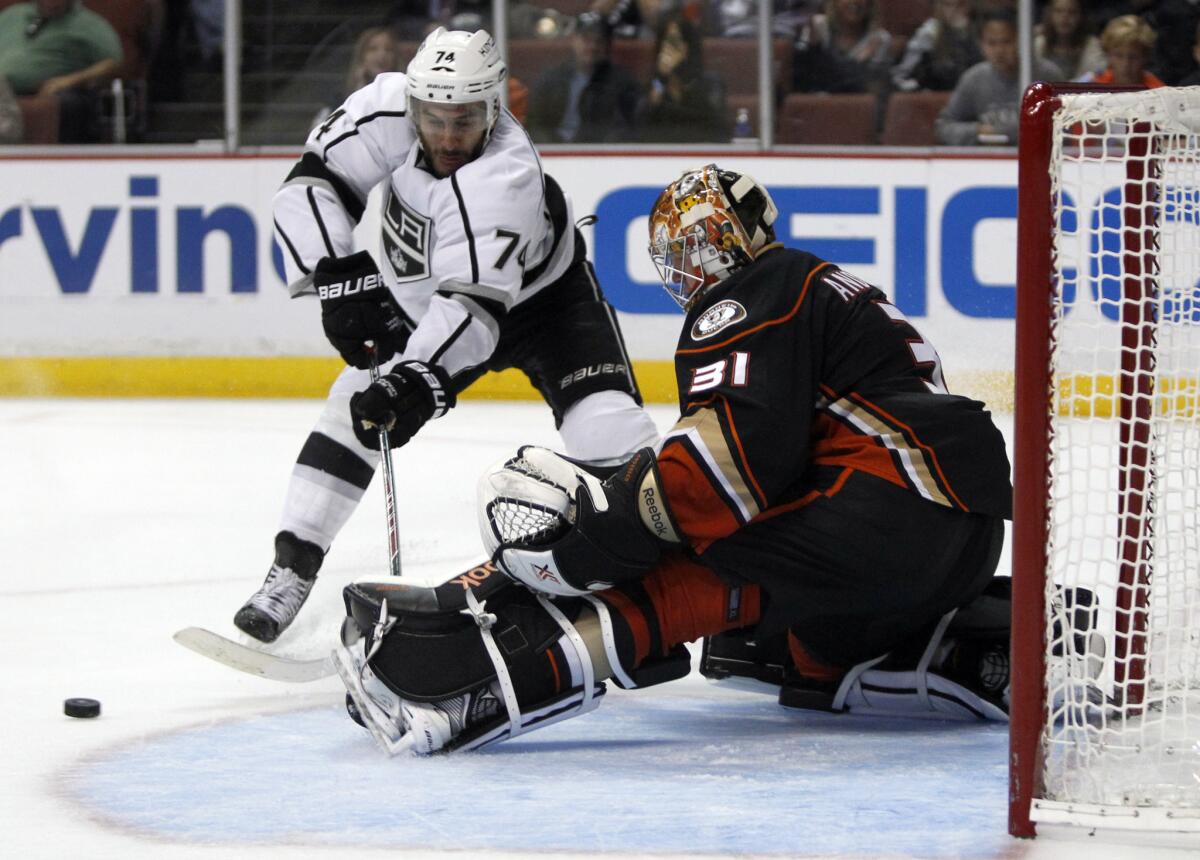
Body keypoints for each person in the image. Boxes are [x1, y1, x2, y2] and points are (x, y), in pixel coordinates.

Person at [332, 163, 1015, 755]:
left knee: (663, 548)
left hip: (888, 510)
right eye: (677, 253)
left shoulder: (763, 286)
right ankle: (956, 651)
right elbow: (778, 459)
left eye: (701, 240)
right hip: (957, 541)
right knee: (780, 643)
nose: (694, 265)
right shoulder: (830, 289)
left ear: (743, 230)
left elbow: (721, 476)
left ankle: (460, 679)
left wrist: (609, 522)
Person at [239, 28, 659, 644]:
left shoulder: (505, 176)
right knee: (349, 411)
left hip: (546, 307)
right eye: (433, 119)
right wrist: (338, 275)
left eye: (464, 121)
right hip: (431, 303)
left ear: (496, 108)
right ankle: (290, 569)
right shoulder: (386, 107)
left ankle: (657, 584)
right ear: (412, 105)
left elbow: (476, 311)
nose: (448, 138)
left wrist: (416, 380)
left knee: (614, 437)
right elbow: (310, 184)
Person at [936, 9, 1063, 146]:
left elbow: (1067, 126)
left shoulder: (1047, 76)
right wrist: (978, 131)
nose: (999, 50)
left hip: (1037, 158)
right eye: (992, 43)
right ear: (981, 45)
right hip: (989, 161)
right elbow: (944, 127)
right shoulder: (974, 79)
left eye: (1006, 42)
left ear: (1021, 41)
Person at [525, 12, 641, 144]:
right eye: (586, 39)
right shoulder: (551, 79)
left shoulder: (622, 84)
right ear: (574, 40)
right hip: (553, 154)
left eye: (599, 41)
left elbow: (624, 130)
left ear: (607, 45)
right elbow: (535, 125)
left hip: (596, 156)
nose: (592, 46)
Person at [635, 10, 730, 143]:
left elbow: (717, 132)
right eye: (665, 43)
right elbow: (639, 128)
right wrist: (661, 77)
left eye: (674, 43)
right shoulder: (653, 85)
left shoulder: (707, 87)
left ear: (688, 47)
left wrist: (683, 81)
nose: (668, 50)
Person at [0, 0, 122, 96]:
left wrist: (69, 81)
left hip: (26, 94)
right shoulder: (12, 14)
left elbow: (113, 63)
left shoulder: (89, 24)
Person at [791, 0, 892, 94]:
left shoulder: (880, 39)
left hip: (856, 105)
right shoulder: (818, 26)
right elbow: (804, 79)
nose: (855, 2)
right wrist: (860, 60)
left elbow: (868, 88)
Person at [892, 0, 980, 93]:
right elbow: (904, 75)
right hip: (934, 94)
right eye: (948, 5)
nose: (954, 11)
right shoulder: (928, 33)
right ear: (940, 7)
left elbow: (979, 69)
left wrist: (962, 36)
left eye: (959, 6)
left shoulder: (975, 31)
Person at [1076, 14, 1164, 88]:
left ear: (1145, 57)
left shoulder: (1158, 90)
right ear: (1108, 54)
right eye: (1118, 56)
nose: (1125, 64)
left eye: (1133, 57)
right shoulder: (1091, 83)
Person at [1034, 0, 1105, 82]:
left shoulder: (1092, 45)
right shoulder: (1039, 43)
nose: (1064, 17)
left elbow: (1095, 75)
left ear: (1081, 16)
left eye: (1072, 12)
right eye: (1058, 11)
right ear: (1049, 14)